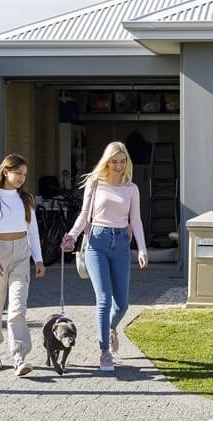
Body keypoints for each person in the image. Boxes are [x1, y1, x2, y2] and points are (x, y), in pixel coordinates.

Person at [61, 142, 148, 372]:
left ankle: (110, 328)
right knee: (104, 298)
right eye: (114, 161)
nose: (118, 166)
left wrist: (142, 248)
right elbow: (83, 216)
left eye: (122, 162)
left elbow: (135, 221)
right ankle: (104, 352)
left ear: (127, 162)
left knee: (122, 305)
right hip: (96, 243)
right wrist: (71, 235)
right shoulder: (95, 183)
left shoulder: (132, 189)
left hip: (120, 243)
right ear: (107, 162)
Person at [0, 154, 45, 376]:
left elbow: (32, 231)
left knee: (17, 309)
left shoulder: (26, 200)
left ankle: (19, 356)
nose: (21, 178)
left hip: (22, 254)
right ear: (6, 172)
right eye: (18, 173)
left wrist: (39, 259)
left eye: (24, 175)